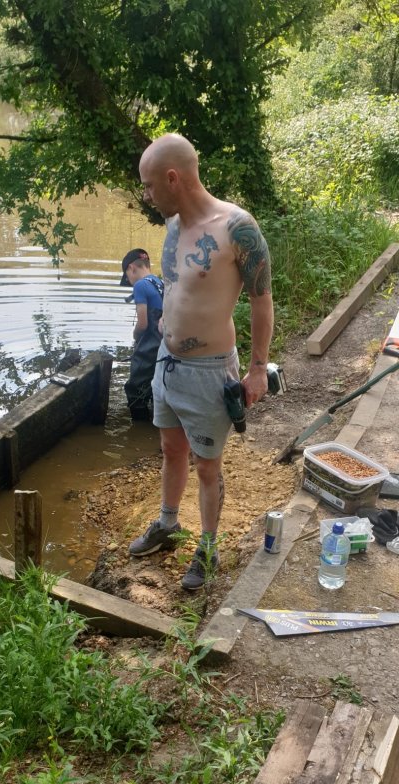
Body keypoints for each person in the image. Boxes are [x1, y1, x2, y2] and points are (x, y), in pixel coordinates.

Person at [129, 133, 274, 591]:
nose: (147, 196)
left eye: (150, 186)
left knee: (207, 466)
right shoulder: (173, 224)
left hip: (210, 370)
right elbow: (178, 285)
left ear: (173, 178)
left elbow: (262, 301)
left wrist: (257, 369)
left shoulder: (237, 228)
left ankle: (208, 546)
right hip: (166, 362)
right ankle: (168, 523)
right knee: (171, 449)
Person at [120, 248, 164, 420]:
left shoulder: (140, 285)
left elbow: (143, 324)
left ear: (131, 268)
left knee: (135, 389)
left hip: (150, 347)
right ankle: (156, 425)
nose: (130, 282)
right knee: (155, 386)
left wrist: (135, 335)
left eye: (127, 277)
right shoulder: (160, 283)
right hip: (164, 346)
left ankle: (138, 428)